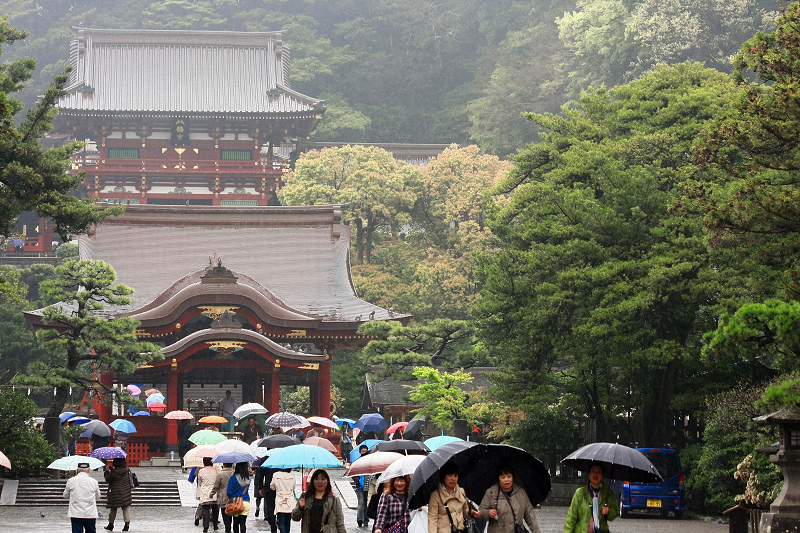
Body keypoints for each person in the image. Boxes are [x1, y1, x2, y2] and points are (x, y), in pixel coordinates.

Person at [478, 465, 542, 533]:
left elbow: (530, 516)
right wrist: (488, 513)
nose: (506, 480)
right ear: (498, 479)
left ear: (513, 477)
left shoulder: (521, 493)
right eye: (503, 477)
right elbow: (480, 512)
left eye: (509, 477)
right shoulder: (491, 492)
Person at [563, 463, 618, 533]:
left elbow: (614, 514)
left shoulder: (608, 494)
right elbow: (571, 518)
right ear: (589, 474)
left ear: (602, 475)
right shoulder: (580, 493)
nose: (595, 474)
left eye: (598, 472)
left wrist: (608, 513)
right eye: (593, 471)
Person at [428, 463, 479, 533]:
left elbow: (465, 512)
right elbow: (432, 520)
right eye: (450, 475)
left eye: (455, 476)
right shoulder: (435, 495)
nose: (453, 479)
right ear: (444, 477)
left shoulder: (461, 491)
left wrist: (473, 514)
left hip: (459, 530)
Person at [291, 469, 345, 533]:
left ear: (327, 481)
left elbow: (340, 524)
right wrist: (300, 508)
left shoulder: (334, 500)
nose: (320, 482)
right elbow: (295, 518)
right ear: (313, 481)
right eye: (316, 479)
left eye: (323, 479)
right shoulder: (305, 497)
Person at [64, 461, 102, 533]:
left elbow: (65, 495)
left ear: (77, 470)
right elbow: (98, 496)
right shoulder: (93, 482)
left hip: (76, 512)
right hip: (90, 512)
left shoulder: (71, 481)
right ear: (88, 470)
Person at [103, 458, 132, 531]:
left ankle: (110, 524)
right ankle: (127, 524)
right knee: (126, 507)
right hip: (125, 491)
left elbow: (108, 479)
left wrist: (107, 472)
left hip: (116, 492)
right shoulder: (126, 470)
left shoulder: (114, 472)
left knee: (113, 508)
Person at [226, 462, 252, 533]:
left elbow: (229, 492)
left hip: (236, 503)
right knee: (243, 523)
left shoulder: (233, 478)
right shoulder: (248, 478)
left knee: (236, 524)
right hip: (246, 502)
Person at [211, 463, 235, 533]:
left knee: (225, 513)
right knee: (231, 512)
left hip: (223, 496)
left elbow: (216, 486)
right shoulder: (234, 473)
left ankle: (227, 528)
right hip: (233, 496)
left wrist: (212, 494)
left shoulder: (220, 474)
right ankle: (230, 527)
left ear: (224, 465)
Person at [197, 457, 220, 532]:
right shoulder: (216, 470)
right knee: (215, 509)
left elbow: (200, 482)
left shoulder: (201, 471)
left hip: (205, 492)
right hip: (214, 492)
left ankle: (205, 527)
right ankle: (215, 525)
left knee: (205, 509)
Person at [254, 465, 279, 532]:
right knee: (278, 505)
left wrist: (260, 487)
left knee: (270, 507)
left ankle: (272, 521)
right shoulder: (280, 461)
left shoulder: (265, 460)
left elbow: (261, 473)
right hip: (278, 488)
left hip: (269, 487)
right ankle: (276, 521)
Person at [271, 469, 295, 533]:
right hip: (290, 500)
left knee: (281, 520)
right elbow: (293, 488)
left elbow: (272, 487)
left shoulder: (276, 475)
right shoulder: (292, 476)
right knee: (288, 521)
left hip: (280, 500)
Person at [355, 445, 370, 528]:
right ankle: (360, 518)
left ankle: (366, 519)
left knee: (366, 503)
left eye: (365, 451)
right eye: (362, 451)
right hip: (359, 486)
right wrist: (357, 481)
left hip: (368, 485)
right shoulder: (357, 462)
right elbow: (354, 474)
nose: (364, 452)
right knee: (361, 502)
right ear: (360, 452)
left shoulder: (369, 462)